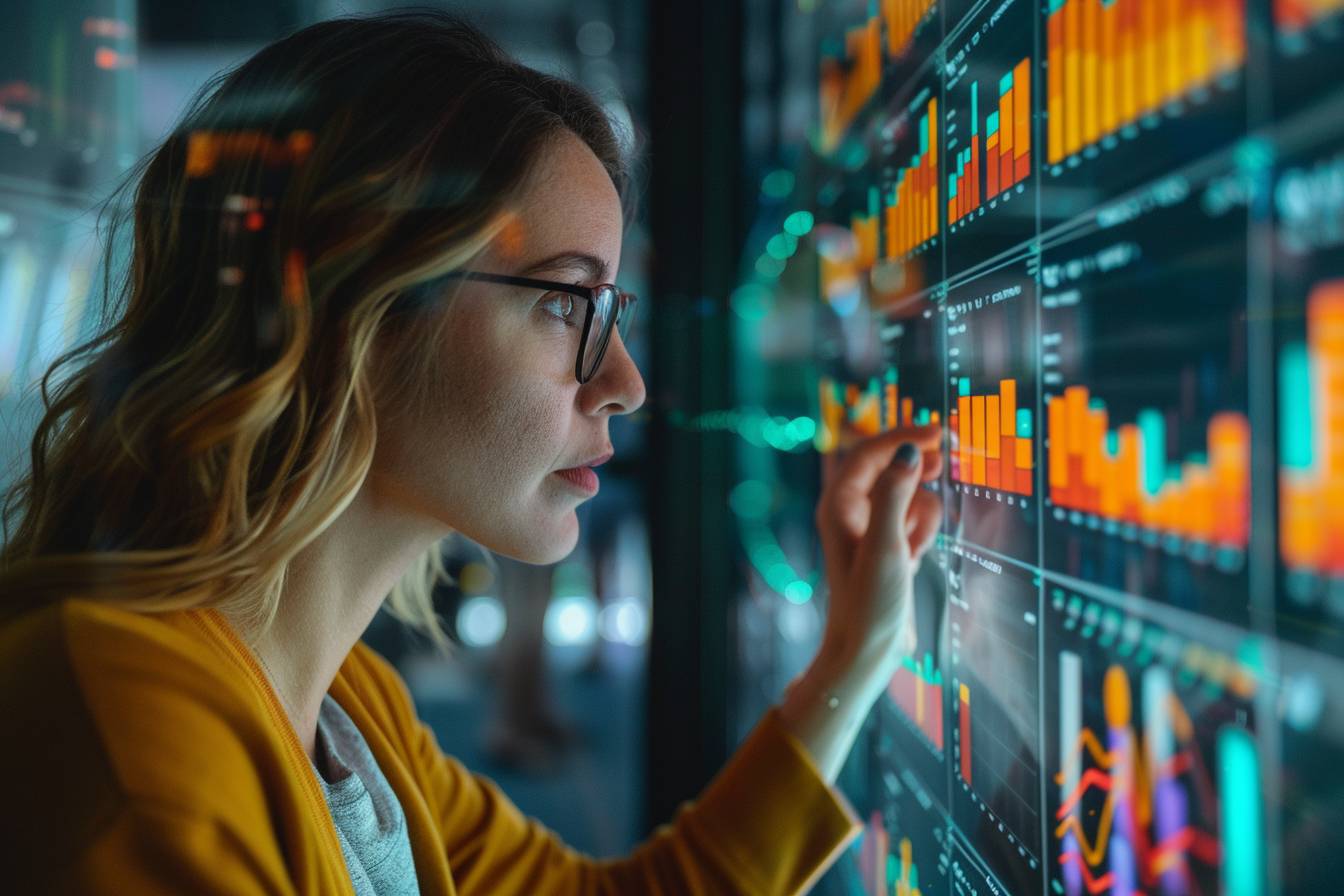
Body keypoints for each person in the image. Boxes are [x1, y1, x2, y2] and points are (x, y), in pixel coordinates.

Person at [0, 9, 942, 894]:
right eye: (563, 302)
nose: (626, 382)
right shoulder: (137, 747)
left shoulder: (344, 700)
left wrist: (855, 658)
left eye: (612, 310)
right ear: (356, 307)